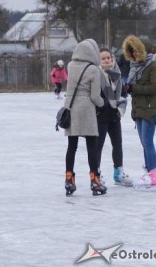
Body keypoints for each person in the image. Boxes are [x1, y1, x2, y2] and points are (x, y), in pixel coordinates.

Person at [64, 39, 107, 196]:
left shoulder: (69, 65)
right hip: (87, 109)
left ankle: (69, 179)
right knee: (92, 147)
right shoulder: (94, 69)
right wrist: (103, 104)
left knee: (72, 146)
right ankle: (95, 181)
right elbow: (95, 96)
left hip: (71, 107)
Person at [122, 35, 156, 190]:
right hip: (138, 108)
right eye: (130, 51)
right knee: (144, 143)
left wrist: (134, 88)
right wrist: (128, 89)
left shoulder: (154, 67)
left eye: (135, 51)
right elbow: (135, 87)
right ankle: (149, 171)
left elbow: (154, 88)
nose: (132, 55)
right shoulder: (135, 67)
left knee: (148, 143)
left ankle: (153, 175)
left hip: (150, 109)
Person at [95, 47, 133, 186]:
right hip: (101, 115)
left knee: (117, 144)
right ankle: (96, 173)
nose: (106, 60)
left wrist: (120, 108)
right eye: (103, 58)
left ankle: (118, 173)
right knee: (98, 146)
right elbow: (95, 95)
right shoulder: (96, 73)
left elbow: (123, 93)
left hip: (115, 115)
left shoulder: (117, 72)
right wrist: (105, 106)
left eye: (108, 57)